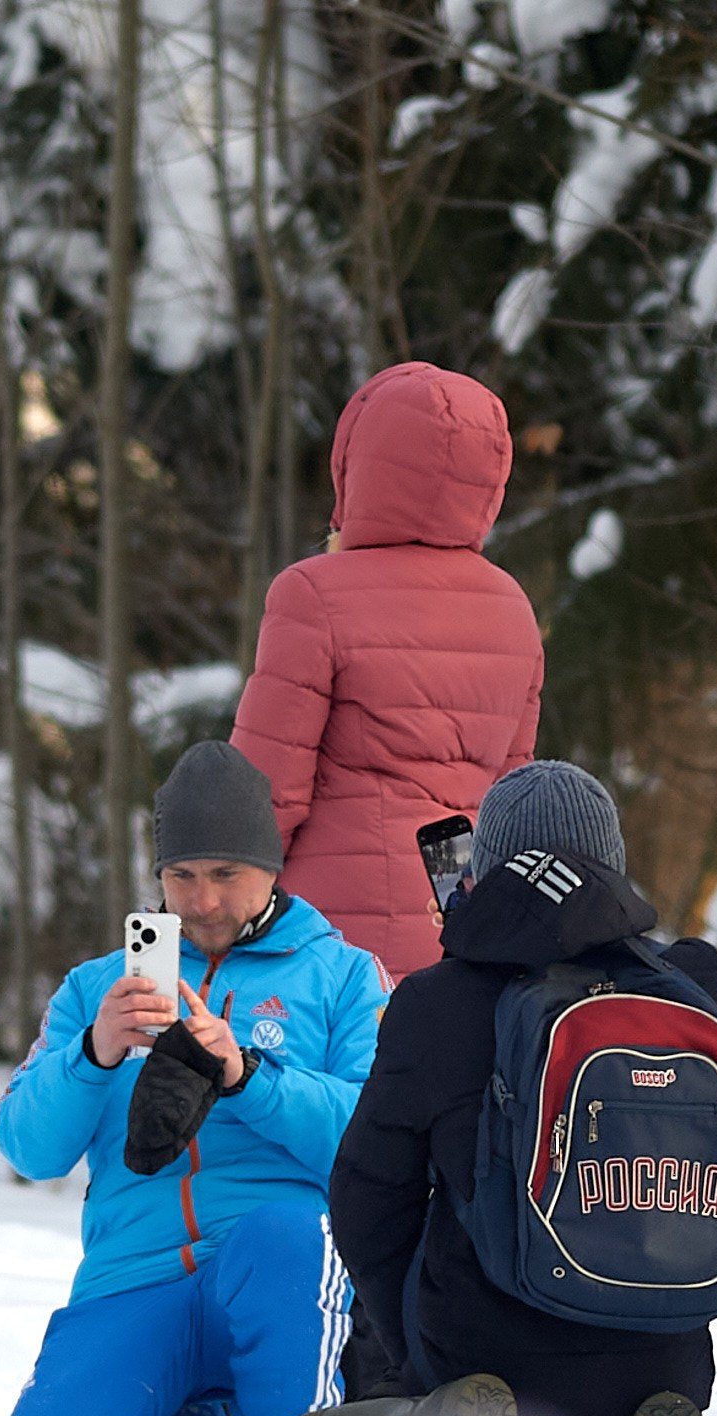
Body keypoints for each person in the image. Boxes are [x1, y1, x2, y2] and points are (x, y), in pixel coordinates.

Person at [256, 762, 717, 1416]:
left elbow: (367, 1199)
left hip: (482, 1351)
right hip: (659, 1357)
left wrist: (414, 1356)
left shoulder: (439, 1000)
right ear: (612, 865)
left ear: (486, 869)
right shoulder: (693, 989)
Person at [0, 742, 390, 1416]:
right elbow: (26, 1147)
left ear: (271, 870)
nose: (202, 902)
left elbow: (373, 1144)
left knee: (285, 1235)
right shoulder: (95, 987)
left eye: (225, 876)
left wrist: (245, 1076)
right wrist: (94, 1054)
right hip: (135, 1275)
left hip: (279, 1269)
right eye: (182, 877)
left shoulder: (343, 975)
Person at [230, 361, 543, 982]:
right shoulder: (512, 608)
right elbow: (514, 795)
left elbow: (263, 796)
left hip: (325, 940)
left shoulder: (311, 593)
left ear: (358, 464)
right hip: (460, 923)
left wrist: (216, 915)